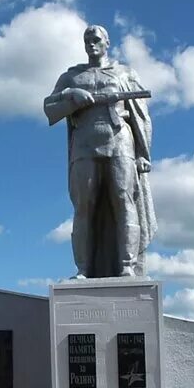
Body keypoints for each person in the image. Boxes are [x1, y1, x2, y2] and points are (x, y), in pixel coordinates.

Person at [44, 25, 157, 278]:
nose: (90, 44)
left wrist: (143, 153)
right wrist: (71, 94)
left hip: (120, 140)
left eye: (95, 39)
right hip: (84, 142)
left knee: (124, 200)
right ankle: (83, 269)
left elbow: (141, 116)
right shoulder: (71, 76)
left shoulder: (124, 72)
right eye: (86, 40)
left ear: (107, 43)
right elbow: (49, 106)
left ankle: (127, 267)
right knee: (83, 206)